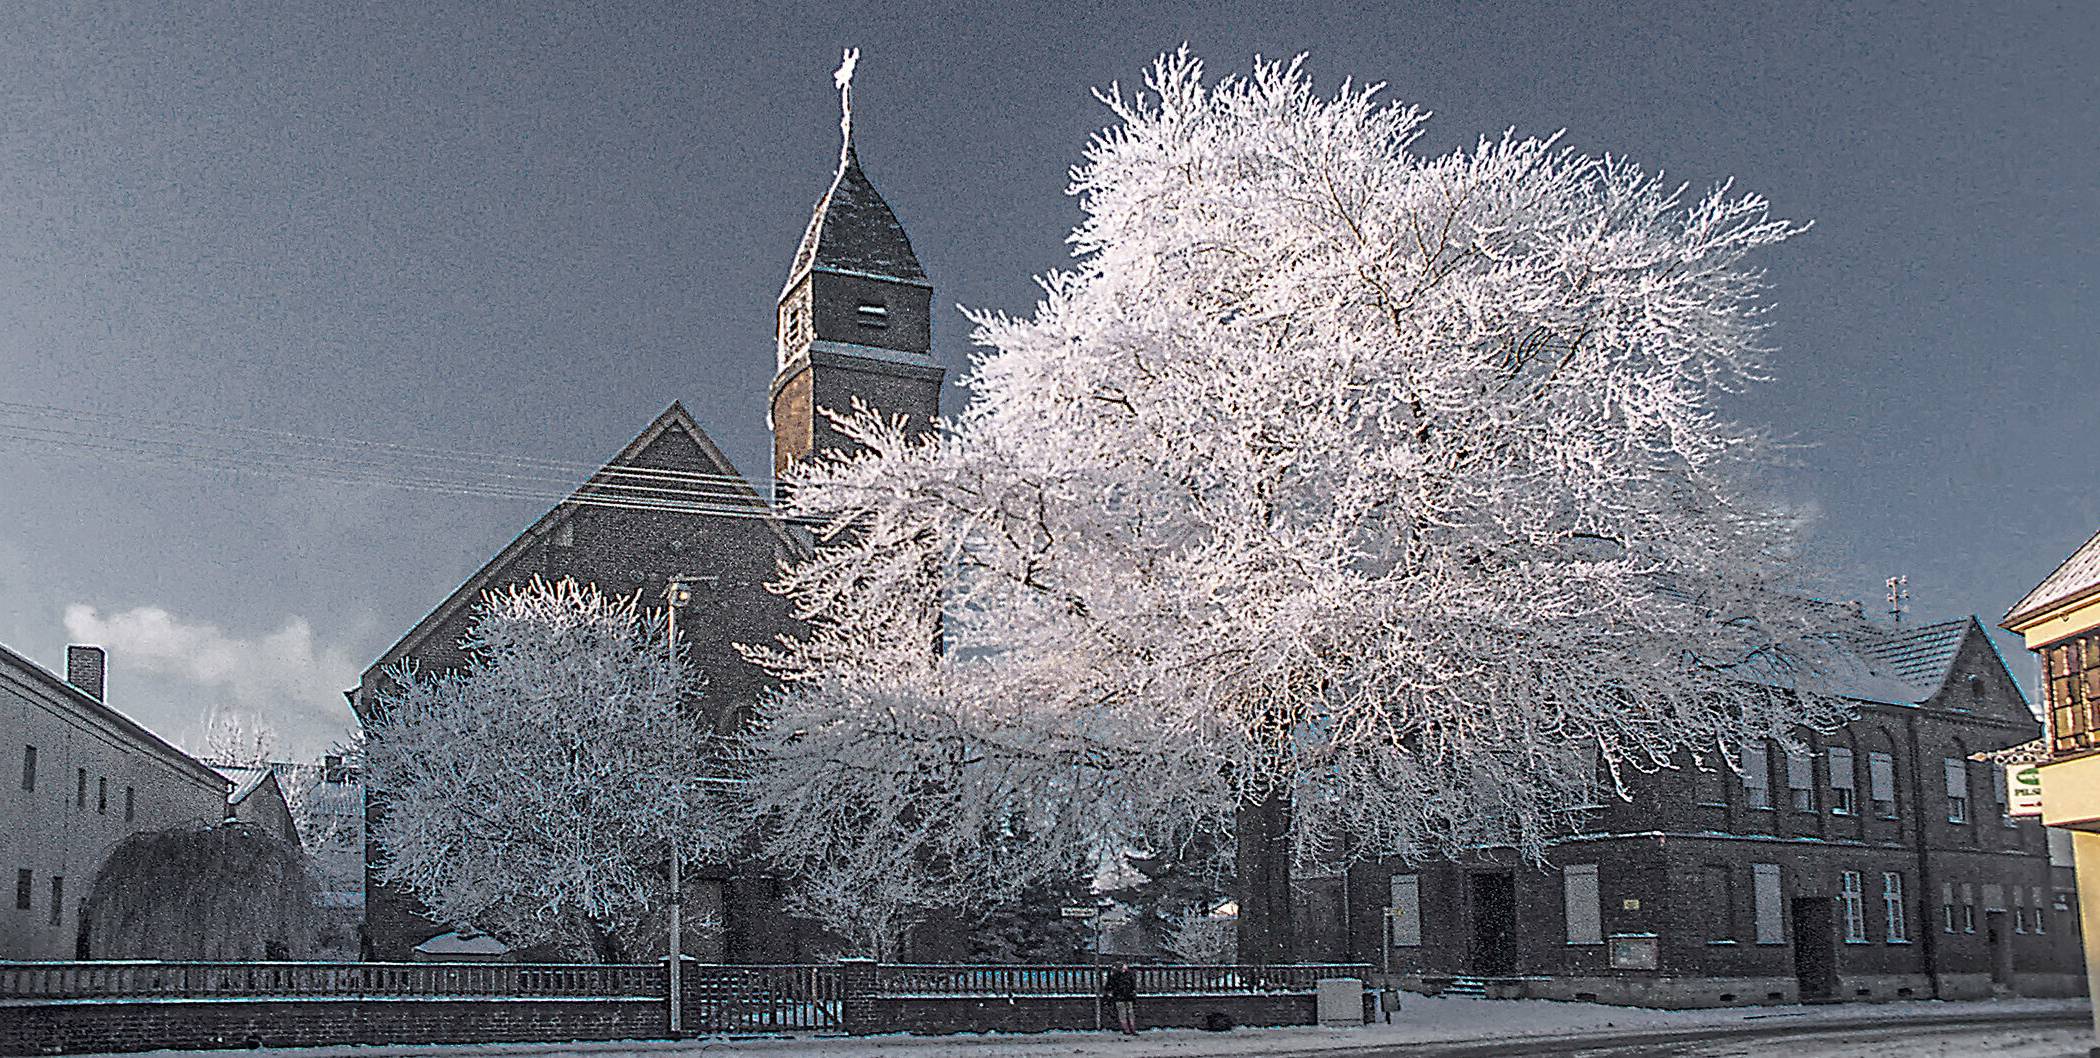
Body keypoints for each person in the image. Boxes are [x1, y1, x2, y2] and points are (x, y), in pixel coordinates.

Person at [1103, 961, 1139, 1036]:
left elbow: (1109, 986)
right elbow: (1132, 985)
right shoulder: (1128, 975)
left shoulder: (1115, 976)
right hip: (1126, 997)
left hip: (1121, 997)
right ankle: (1130, 1029)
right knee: (1128, 1013)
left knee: (1124, 1013)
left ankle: (1128, 1029)